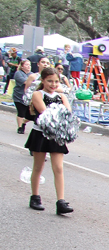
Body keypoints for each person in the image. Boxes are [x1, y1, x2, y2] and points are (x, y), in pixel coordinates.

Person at [26, 66, 74, 215]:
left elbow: (68, 113)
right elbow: (45, 112)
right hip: (40, 133)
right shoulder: (37, 94)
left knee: (58, 168)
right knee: (38, 167)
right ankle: (35, 197)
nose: (53, 85)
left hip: (56, 136)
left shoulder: (62, 96)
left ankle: (61, 201)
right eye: (50, 81)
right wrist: (60, 114)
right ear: (42, 80)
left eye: (56, 82)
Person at [13, 59, 31, 134]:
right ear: (22, 66)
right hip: (19, 96)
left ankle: (24, 122)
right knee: (21, 112)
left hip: (29, 97)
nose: (28, 66)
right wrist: (32, 81)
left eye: (29, 65)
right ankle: (20, 127)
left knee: (30, 115)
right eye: (26, 65)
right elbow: (25, 82)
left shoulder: (31, 74)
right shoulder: (18, 73)